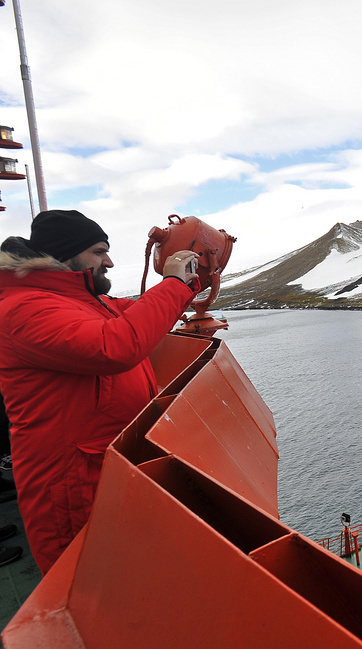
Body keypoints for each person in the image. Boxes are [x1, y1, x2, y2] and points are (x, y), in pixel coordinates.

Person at [0, 209, 199, 574]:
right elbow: (116, 346)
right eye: (98, 251)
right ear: (63, 255)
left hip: (100, 467)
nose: (108, 261)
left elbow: (134, 313)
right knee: (88, 583)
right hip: (72, 485)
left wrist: (186, 286)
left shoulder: (79, 301)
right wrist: (173, 285)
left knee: (121, 574)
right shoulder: (24, 309)